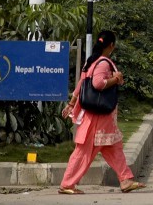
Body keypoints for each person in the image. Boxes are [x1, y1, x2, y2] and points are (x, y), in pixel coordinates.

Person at [59, 31, 146, 195]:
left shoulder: (91, 61)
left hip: (100, 117)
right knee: (84, 151)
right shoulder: (104, 63)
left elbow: (81, 84)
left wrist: (72, 104)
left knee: (114, 147)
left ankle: (125, 180)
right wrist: (116, 78)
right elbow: (98, 84)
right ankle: (67, 184)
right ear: (111, 45)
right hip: (97, 118)